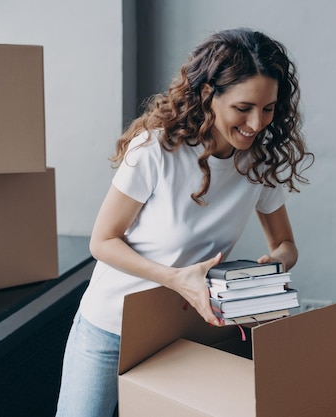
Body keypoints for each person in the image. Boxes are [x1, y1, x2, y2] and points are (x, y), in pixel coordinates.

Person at [55, 28, 314, 417]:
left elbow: (286, 246)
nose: (257, 122)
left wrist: (270, 270)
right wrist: (174, 278)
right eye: (243, 108)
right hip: (112, 325)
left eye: (268, 108)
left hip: (185, 331)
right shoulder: (156, 149)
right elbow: (102, 242)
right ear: (210, 94)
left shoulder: (259, 163)